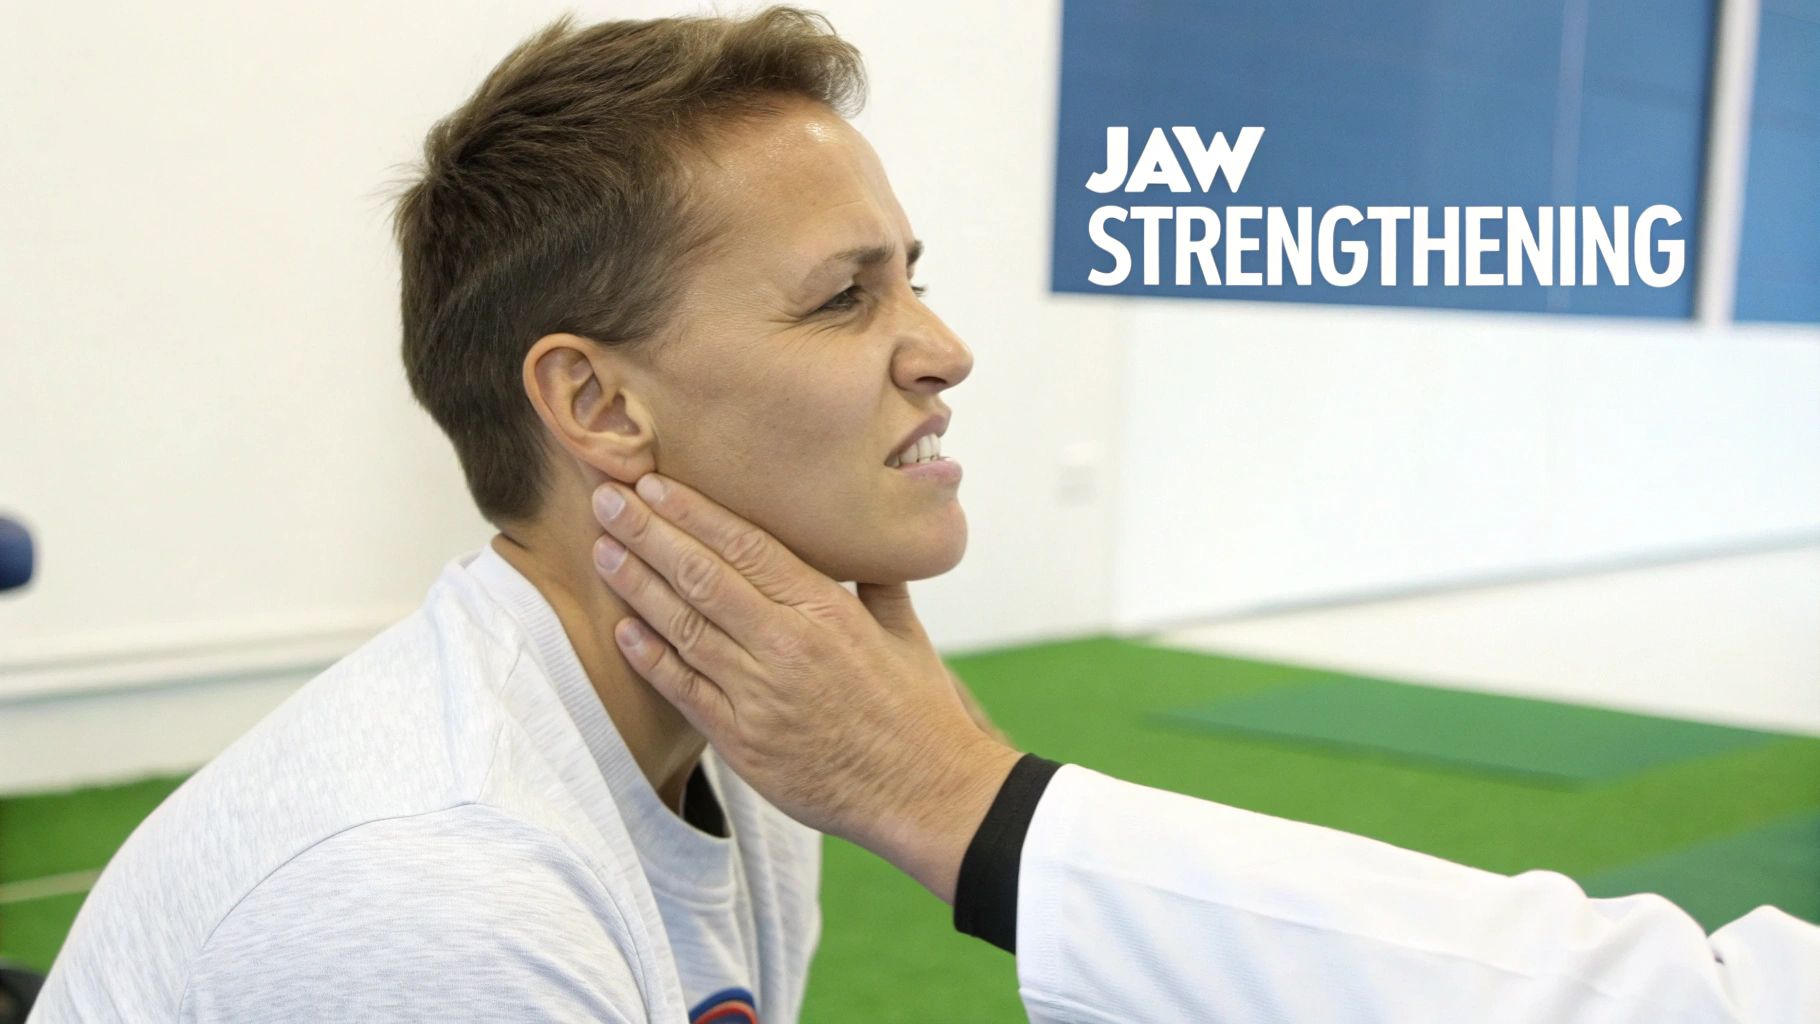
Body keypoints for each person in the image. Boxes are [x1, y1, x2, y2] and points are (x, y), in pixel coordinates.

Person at [34, 8, 991, 1021]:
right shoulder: (438, 890)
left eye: (909, 279)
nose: (945, 348)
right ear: (597, 405)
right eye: (844, 295)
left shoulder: (752, 747)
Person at [584, 470, 1820, 1022]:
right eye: (842, 296)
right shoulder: (453, 871)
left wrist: (961, 797)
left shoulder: (760, 799)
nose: (943, 348)